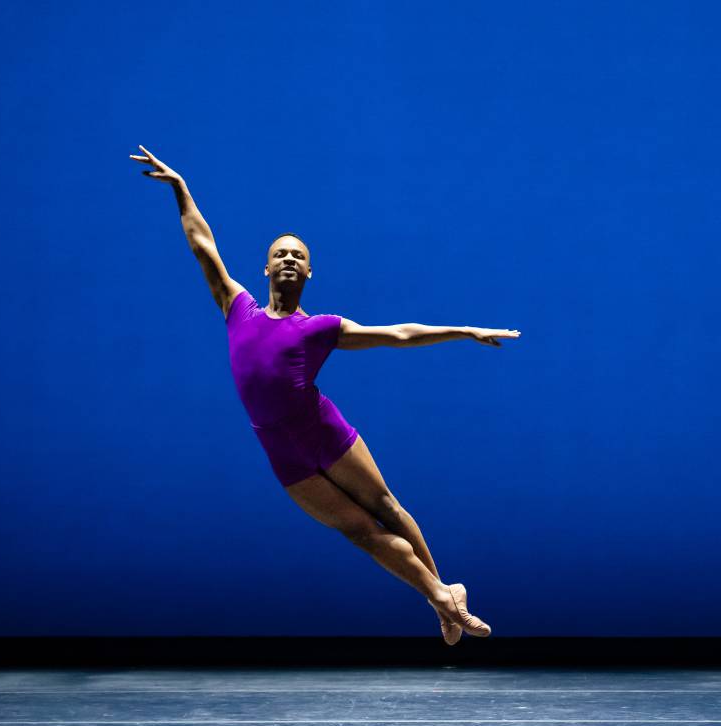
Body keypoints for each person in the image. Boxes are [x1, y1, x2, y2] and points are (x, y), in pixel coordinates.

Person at [130, 146, 518, 645]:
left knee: (387, 508)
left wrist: (464, 330)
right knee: (359, 531)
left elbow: (398, 333)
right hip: (280, 450)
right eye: (280, 254)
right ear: (266, 270)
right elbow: (202, 244)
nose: (289, 258)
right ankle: (445, 596)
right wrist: (182, 188)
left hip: (322, 430)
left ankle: (442, 596)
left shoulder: (320, 328)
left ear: (308, 274)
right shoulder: (236, 305)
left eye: (299, 256)